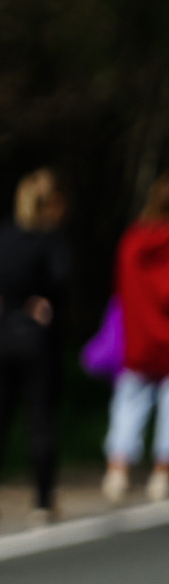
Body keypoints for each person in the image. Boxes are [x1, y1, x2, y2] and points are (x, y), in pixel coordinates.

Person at [0, 170, 71, 528]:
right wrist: (46, 303)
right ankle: (42, 502)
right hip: (34, 338)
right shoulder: (49, 240)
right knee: (39, 417)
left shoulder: (0, 236)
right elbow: (62, 280)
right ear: (50, 203)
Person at [104, 176, 169, 503]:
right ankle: (161, 475)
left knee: (128, 406)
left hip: (138, 338)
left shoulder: (132, 241)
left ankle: (118, 470)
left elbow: (122, 290)